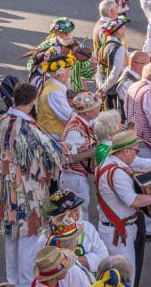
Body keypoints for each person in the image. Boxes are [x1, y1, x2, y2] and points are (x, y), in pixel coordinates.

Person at [0, 81, 63, 287]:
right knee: (28, 243)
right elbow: (48, 160)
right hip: (27, 196)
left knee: (11, 240)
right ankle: (25, 283)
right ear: (32, 102)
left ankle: (12, 282)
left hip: (5, 193)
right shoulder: (28, 128)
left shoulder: (0, 121)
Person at [95, 129, 151, 277]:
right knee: (126, 277)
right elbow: (134, 201)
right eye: (135, 151)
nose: (136, 155)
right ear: (125, 151)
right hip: (119, 234)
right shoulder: (117, 173)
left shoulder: (108, 162)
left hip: (115, 229)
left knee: (118, 276)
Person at [41, 189, 108, 278]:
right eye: (68, 213)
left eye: (76, 210)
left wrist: (74, 260)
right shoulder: (46, 238)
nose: (75, 215)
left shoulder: (87, 228)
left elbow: (104, 256)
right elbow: (44, 267)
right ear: (58, 217)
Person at [58, 92, 101, 225]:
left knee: (79, 214)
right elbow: (65, 158)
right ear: (87, 112)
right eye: (96, 107)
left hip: (76, 177)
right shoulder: (75, 131)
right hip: (73, 178)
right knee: (79, 216)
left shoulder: (82, 121)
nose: (98, 109)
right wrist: (89, 153)